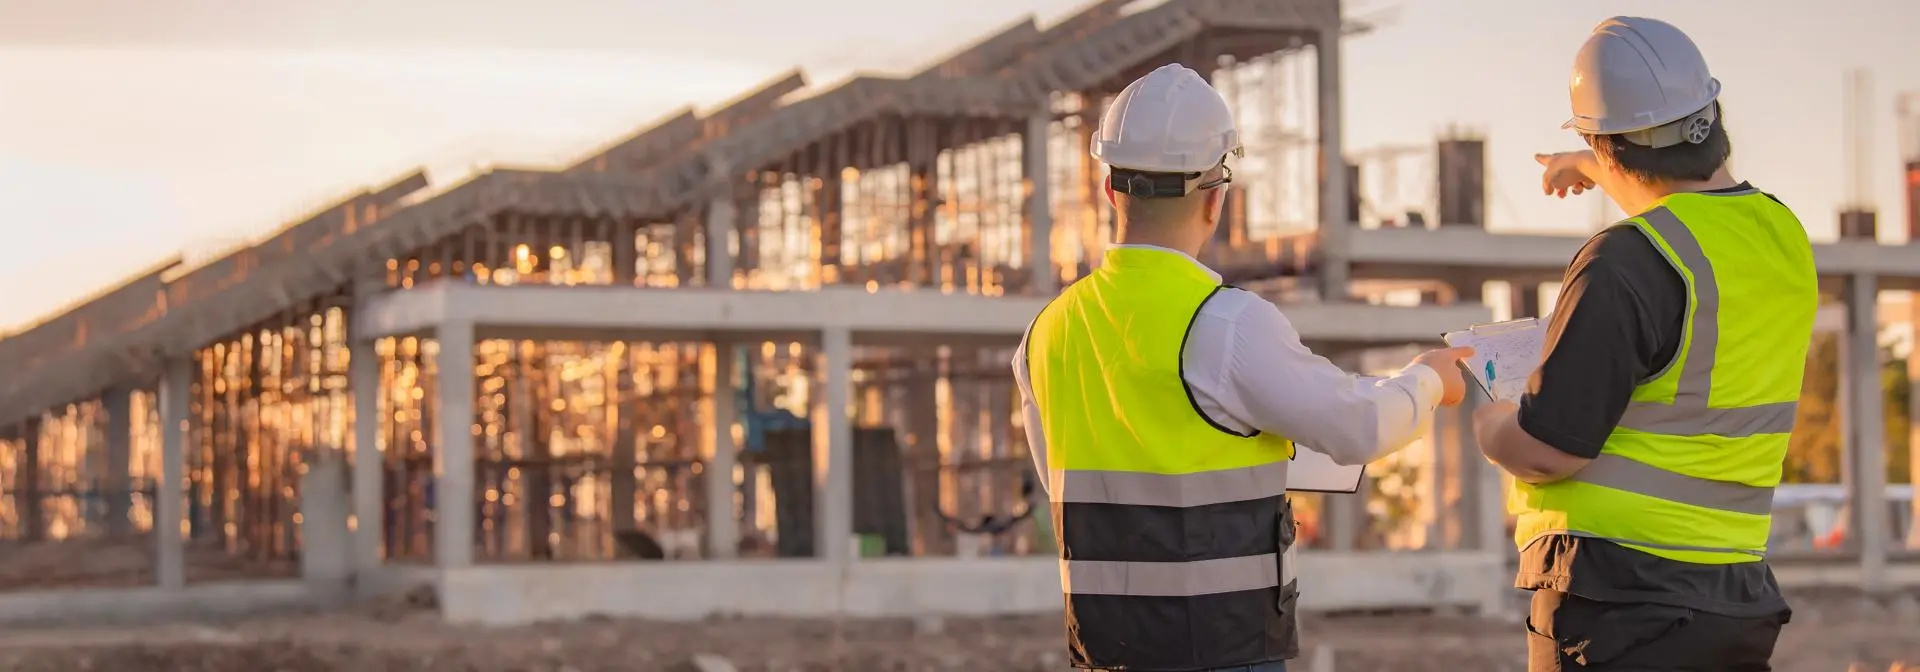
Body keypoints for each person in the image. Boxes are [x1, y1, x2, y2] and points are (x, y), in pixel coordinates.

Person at [1011, 62, 1474, 672]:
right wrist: (1429, 379)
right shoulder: (1227, 325)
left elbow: (1074, 483)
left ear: (1110, 191)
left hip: (1101, 652)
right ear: (1216, 198)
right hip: (1221, 650)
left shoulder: (1047, 331)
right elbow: (1359, 426)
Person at [1470, 17, 1816, 671]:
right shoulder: (1782, 236)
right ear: (1713, 116)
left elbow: (1549, 449)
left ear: (1605, 146)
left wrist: (1490, 427)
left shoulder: (1623, 263)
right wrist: (1599, 165)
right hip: (1733, 592)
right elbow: (1705, 211)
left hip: (1616, 600)